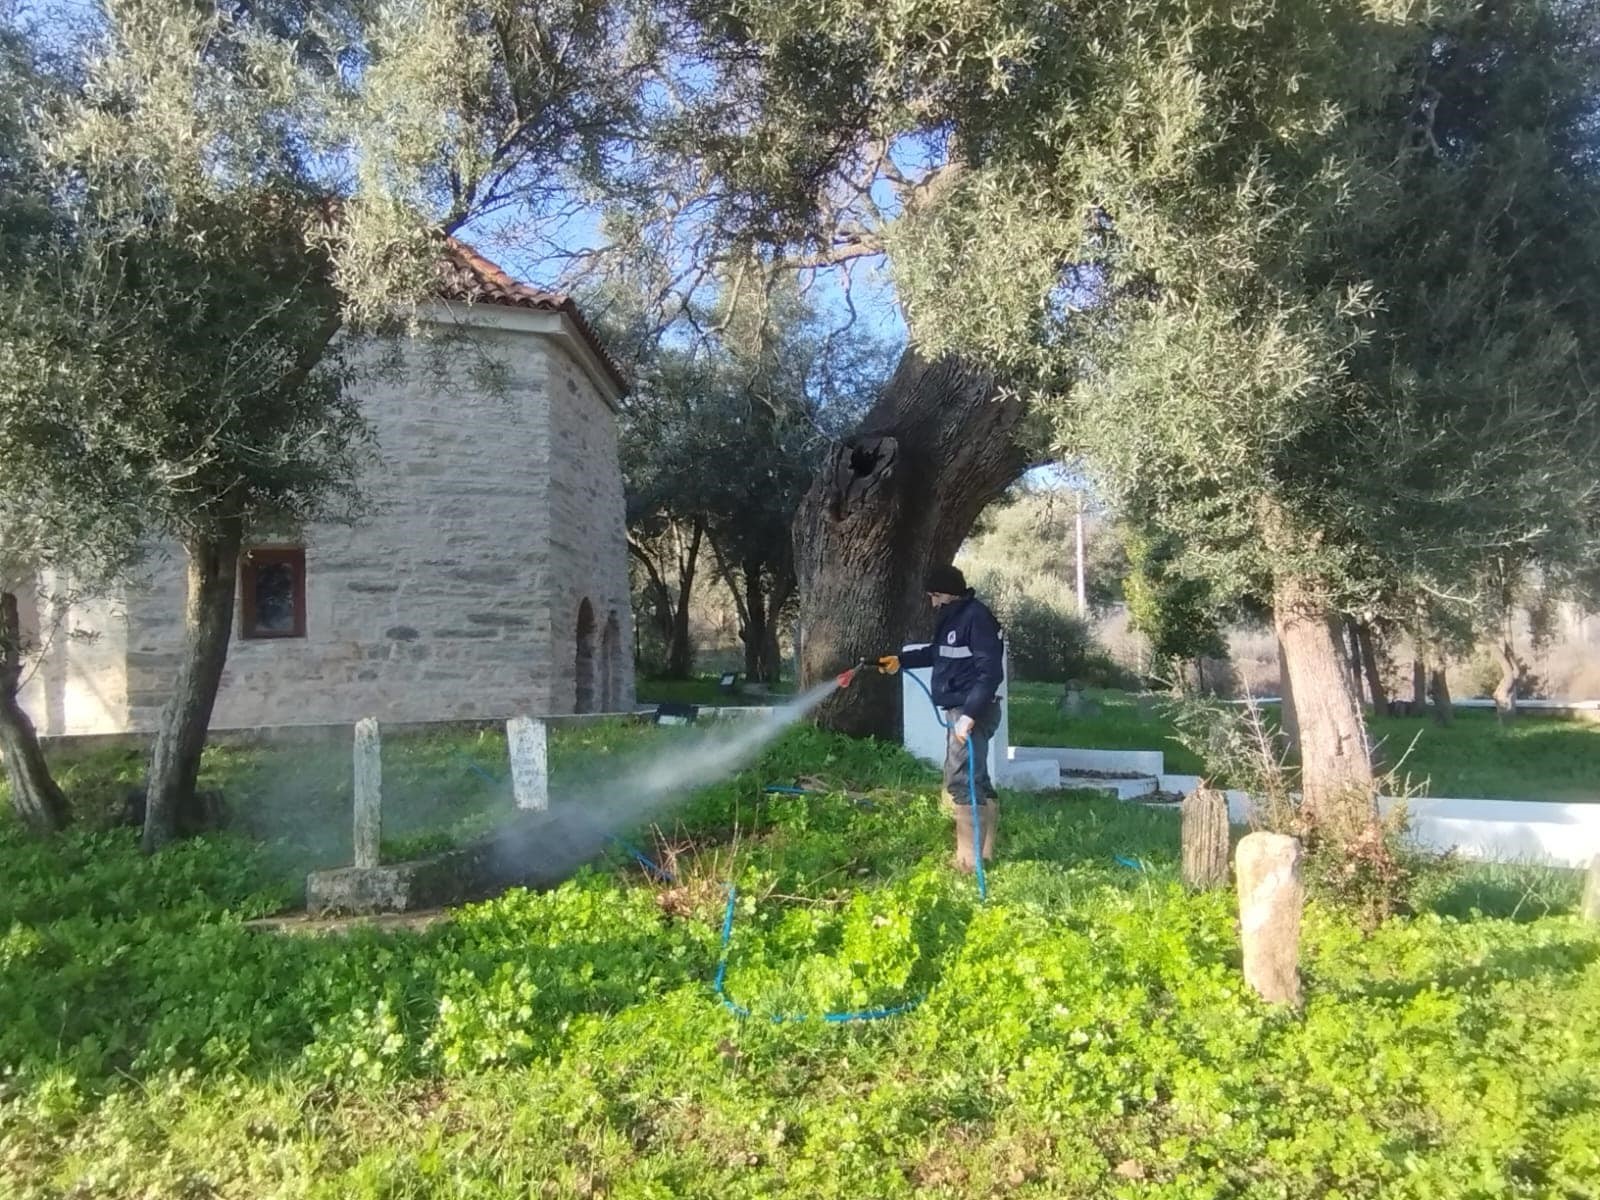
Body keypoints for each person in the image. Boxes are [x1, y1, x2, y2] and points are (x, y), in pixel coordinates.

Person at [877, 565, 1005, 872]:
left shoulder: (976, 618)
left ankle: (967, 864)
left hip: (971, 710)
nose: (933, 603)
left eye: (936, 595)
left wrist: (969, 716)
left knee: (961, 782)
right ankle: (983, 857)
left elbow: (991, 672)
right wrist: (901, 660)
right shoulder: (957, 617)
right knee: (978, 782)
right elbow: (938, 653)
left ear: (950, 592)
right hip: (964, 709)